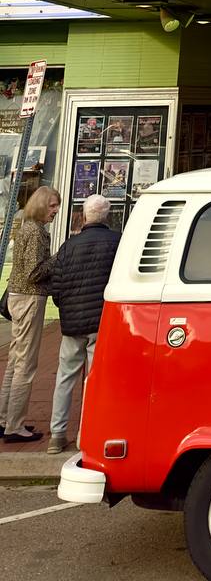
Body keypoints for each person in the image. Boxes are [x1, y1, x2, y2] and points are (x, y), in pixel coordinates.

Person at [40, 194, 121, 454]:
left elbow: (57, 283)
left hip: (73, 321)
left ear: (85, 216)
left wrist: (65, 308)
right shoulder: (116, 243)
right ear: (106, 216)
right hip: (101, 320)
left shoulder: (68, 245)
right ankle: (86, 433)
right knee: (95, 379)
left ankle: (57, 433)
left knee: (65, 377)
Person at [0, 185, 60, 443]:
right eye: (52, 206)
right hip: (30, 299)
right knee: (26, 364)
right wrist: (58, 258)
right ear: (41, 205)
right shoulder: (36, 233)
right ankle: (15, 425)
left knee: (15, 361)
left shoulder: (25, 228)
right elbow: (35, 272)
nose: (56, 211)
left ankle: (5, 419)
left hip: (17, 297)